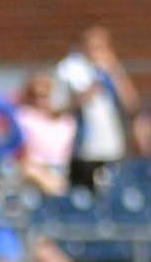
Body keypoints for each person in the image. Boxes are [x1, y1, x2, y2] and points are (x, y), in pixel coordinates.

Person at [56, 24, 138, 192]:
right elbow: (59, 107)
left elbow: (131, 104)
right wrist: (89, 90)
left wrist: (115, 72)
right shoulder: (69, 69)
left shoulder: (111, 71)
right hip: (83, 149)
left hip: (111, 147)